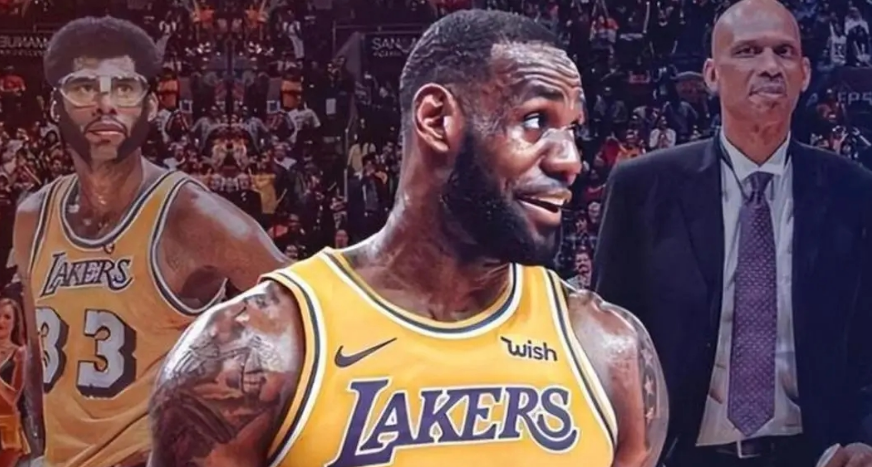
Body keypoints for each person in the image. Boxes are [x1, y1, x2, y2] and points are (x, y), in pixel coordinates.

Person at [147, 9, 669, 467]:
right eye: (535, 121)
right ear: (437, 120)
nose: (570, 160)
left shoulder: (610, 349)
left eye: (572, 128)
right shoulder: (259, 349)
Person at [593, 1, 872, 466]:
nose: (769, 66)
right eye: (747, 51)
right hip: (679, 455)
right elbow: (611, 340)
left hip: (815, 456)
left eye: (784, 52)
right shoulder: (642, 187)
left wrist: (864, 437)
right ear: (711, 74)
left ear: (804, 73)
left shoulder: (854, 190)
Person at [11, 17, 287, 467]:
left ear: (151, 106)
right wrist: (42, 452)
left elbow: (314, 313)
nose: (105, 105)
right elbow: (40, 359)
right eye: (84, 88)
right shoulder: (33, 217)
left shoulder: (193, 216)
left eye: (124, 88)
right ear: (55, 107)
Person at [0, 298, 27, 467]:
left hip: (6, 429)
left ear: (15, 323)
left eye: (7, 317)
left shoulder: (19, 353)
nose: (1, 321)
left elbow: (12, 398)